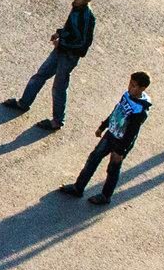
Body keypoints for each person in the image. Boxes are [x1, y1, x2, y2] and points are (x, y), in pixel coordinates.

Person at [5, 0, 95, 131]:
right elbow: (70, 29)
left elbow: (83, 45)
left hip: (69, 56)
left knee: (59, 87)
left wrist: (63, 44)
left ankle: (57, 121)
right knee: (40, 75)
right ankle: (24, 103)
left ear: (88, 0)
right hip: (60, 50)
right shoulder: (77, 7)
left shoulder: (87, 17)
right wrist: (60, 33)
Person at [56, 72, 151, 207]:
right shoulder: (127, 95)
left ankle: (105, 196)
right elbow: (115, 112)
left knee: (113, 169)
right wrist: (103, 126)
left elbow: (132, 133)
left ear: (142, 89)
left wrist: (121, 151)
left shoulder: (140, 111)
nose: (130, 87)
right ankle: (78, 187)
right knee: (93, 159)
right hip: (111, 134)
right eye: (130, 83)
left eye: (134, 86)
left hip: (121, 142)